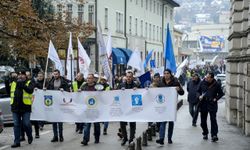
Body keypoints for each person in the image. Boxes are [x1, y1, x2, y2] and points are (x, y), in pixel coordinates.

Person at [156, 69, 184, 145]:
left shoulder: (175, 82)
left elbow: (182, 92)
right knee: (163, 122)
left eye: (167, 73)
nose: (166, 75)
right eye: (164, 73)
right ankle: (161, 139)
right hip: (163, 106)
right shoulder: (160, 83)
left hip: (172, 106)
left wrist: (179, 89)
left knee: (171, 123)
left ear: (170, 74)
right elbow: (155, 93)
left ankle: (169, 138)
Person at [9, 70, 34, 148]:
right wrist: (8, 78)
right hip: (15, 108)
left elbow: (30, 91)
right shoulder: (13, 83)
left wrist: (22, 84)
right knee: (16, 124)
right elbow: (8, 91)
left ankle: (29, 136)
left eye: (22, 75)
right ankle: (17, 142)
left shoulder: (29, 82)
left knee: (26, 124)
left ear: (25, 76)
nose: (20, 76)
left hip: (26, 107)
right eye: (19, 75)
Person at [197, 72, 224, 142]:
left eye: (208, 77)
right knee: (203, 121)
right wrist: (199, 96)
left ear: (212, 78)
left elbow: (221, 93)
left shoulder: (216, 84)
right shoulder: (202, 83)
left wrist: (216, 98)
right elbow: (198, 91)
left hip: (212, 104)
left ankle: (214, 135)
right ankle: (205, 133)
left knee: (213, 120)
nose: (206, 78)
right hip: (203, 103)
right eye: (206, 76)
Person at [47, 69, 69, 142]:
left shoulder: (63, 81)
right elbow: (48, 90)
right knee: (54, 120)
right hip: (53, 103)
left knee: (60, 121)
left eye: (56, 74)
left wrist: (64, 90)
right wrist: (44, 90)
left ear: (59, 74)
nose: (55, 75)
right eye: (54, 74)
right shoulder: (50, 81)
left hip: (60, 103)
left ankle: (61, 136)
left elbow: (68, 91)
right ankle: (55, 136)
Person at [80, 73, 100, 145]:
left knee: (96, 125)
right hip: (87, 109)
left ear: (93, 79)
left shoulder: (98, 86)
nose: (88, 79)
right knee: (87, 125)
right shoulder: (84, 86)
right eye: (87, 78)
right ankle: (85, 140)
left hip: (96, 109)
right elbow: (80, 96)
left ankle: (97, 138)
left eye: (90, 78)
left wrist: (100, 92)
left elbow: (103, 95)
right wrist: (79, 92)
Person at [119, 71, 138, 146]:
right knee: (122, 124)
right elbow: (115, 92)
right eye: (127, 77)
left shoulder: (136, 85)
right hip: (123, 108)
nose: (128, 78)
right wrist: (120, 91)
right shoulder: (121, 85)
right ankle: (125, 138)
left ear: (132, 77)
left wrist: (137, 89)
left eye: (130, 77)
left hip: (132, 108)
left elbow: (141, 93)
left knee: (132, 124)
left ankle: (131, 139)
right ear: (126, 77)